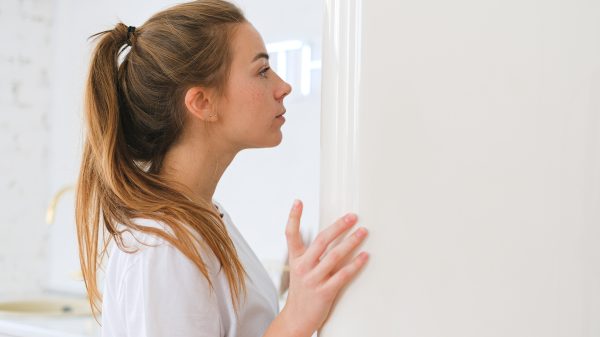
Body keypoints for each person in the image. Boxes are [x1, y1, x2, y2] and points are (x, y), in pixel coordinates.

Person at [75, 1, 370, 336]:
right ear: (202, 103)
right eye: (261, 71)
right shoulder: (164, 248)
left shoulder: (205, 217)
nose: (283, 86)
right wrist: (296, 318)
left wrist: (296, 295)